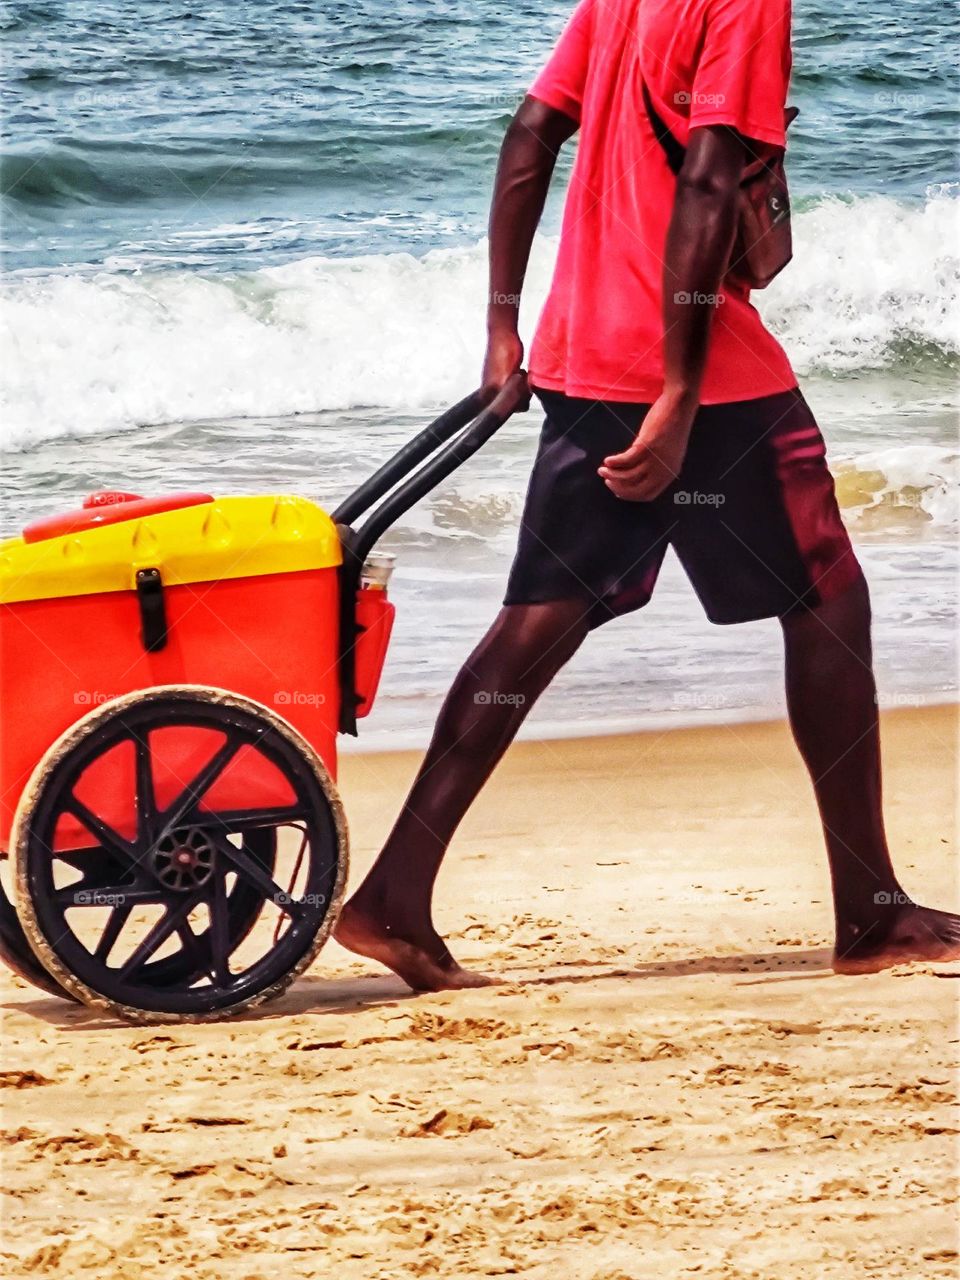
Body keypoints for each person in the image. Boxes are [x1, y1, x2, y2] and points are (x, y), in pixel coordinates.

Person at [334, 0, 960, 989]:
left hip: (586, 352)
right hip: (699, 376)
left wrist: (504, 322)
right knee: (828, 596)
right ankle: (873, 916)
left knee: (535, 621)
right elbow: (710, 181)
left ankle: (393, 897)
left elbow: (533, 130)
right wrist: (676, 394)